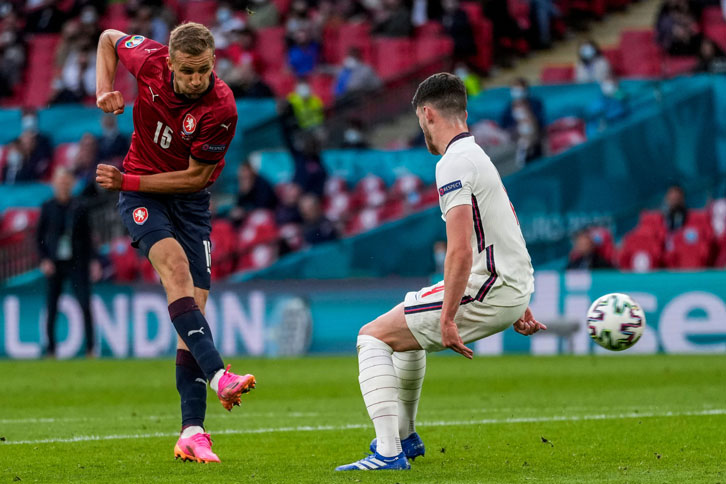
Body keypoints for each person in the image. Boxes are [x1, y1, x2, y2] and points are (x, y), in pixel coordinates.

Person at [336, 73, 544, 471]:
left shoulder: (453, 163)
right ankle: (405, 436)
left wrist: (448, 317)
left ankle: (388, 452)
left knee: (371, 338)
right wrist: (519, 301)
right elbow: (507, 225)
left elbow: (461, 249)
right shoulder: (476, 154)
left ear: (427, 114)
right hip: (508, 285)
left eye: (419, 121)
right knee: (408, 323)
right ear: (462, 113)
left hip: (488, 286)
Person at [94, 22, 256, 464]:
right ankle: (221, 373)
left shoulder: (220, 106)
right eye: (187, 71)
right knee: (177, 272)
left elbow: (196, 176)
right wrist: (103, 88)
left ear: (213, 63)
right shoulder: (147, 60)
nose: (196, 79)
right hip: (143, 196)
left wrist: (125, 177)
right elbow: (108, 37)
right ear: (169, 62)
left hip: (188, 202)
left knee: (193, 316)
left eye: (203, 70)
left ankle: (192, 432)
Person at [36, 169, 101, 358]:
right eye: (60, 181)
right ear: (54, 184)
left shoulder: (79, 207)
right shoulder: (48, 207)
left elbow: (89, 237)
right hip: (55, 264)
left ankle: (90, 350)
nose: (63, 185)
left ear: (72, 184)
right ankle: (51, 350)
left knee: (85, 305)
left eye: (66, 181)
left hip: (77, 262)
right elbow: (39, 237)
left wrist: (94, 261)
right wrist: (44, 259)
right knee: (51, 307)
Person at [500, 78, 545, 165]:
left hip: (535, 138)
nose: (517, 92)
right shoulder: (509, 107)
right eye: (515, 88)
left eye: (519, 88)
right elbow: (504, 124)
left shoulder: (535, 103)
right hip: (518, 140)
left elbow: (540, 120)